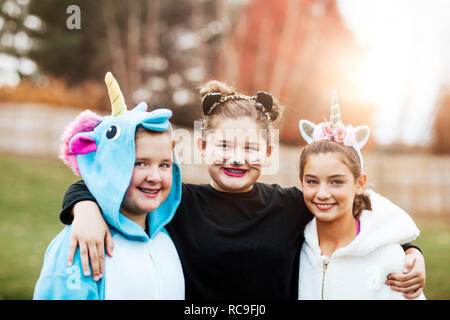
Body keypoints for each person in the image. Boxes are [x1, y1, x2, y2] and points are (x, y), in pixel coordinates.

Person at [58, 81, 425, 299]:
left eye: (250, 149)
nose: (237, 158)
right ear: (202, 148)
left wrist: (409, 250)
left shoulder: (291, 205)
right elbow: (117, 186)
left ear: (267, 153)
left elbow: (357, 212)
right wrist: (84, 207)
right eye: (224, 147)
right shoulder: (178, 202)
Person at [33, 73, 184, 300]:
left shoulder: (168, 238)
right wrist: (84, 207)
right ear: (112, 166)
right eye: (139, 163)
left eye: (164, 165)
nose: (155, 177)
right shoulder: (81, 244)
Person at [297, 92, 425, 299]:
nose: (322, 193)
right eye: (312, 181)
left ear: (359, 183)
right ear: (301, 180)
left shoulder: (391, 258)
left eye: (336, 181)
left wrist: (412, 252)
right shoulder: (292, 244)